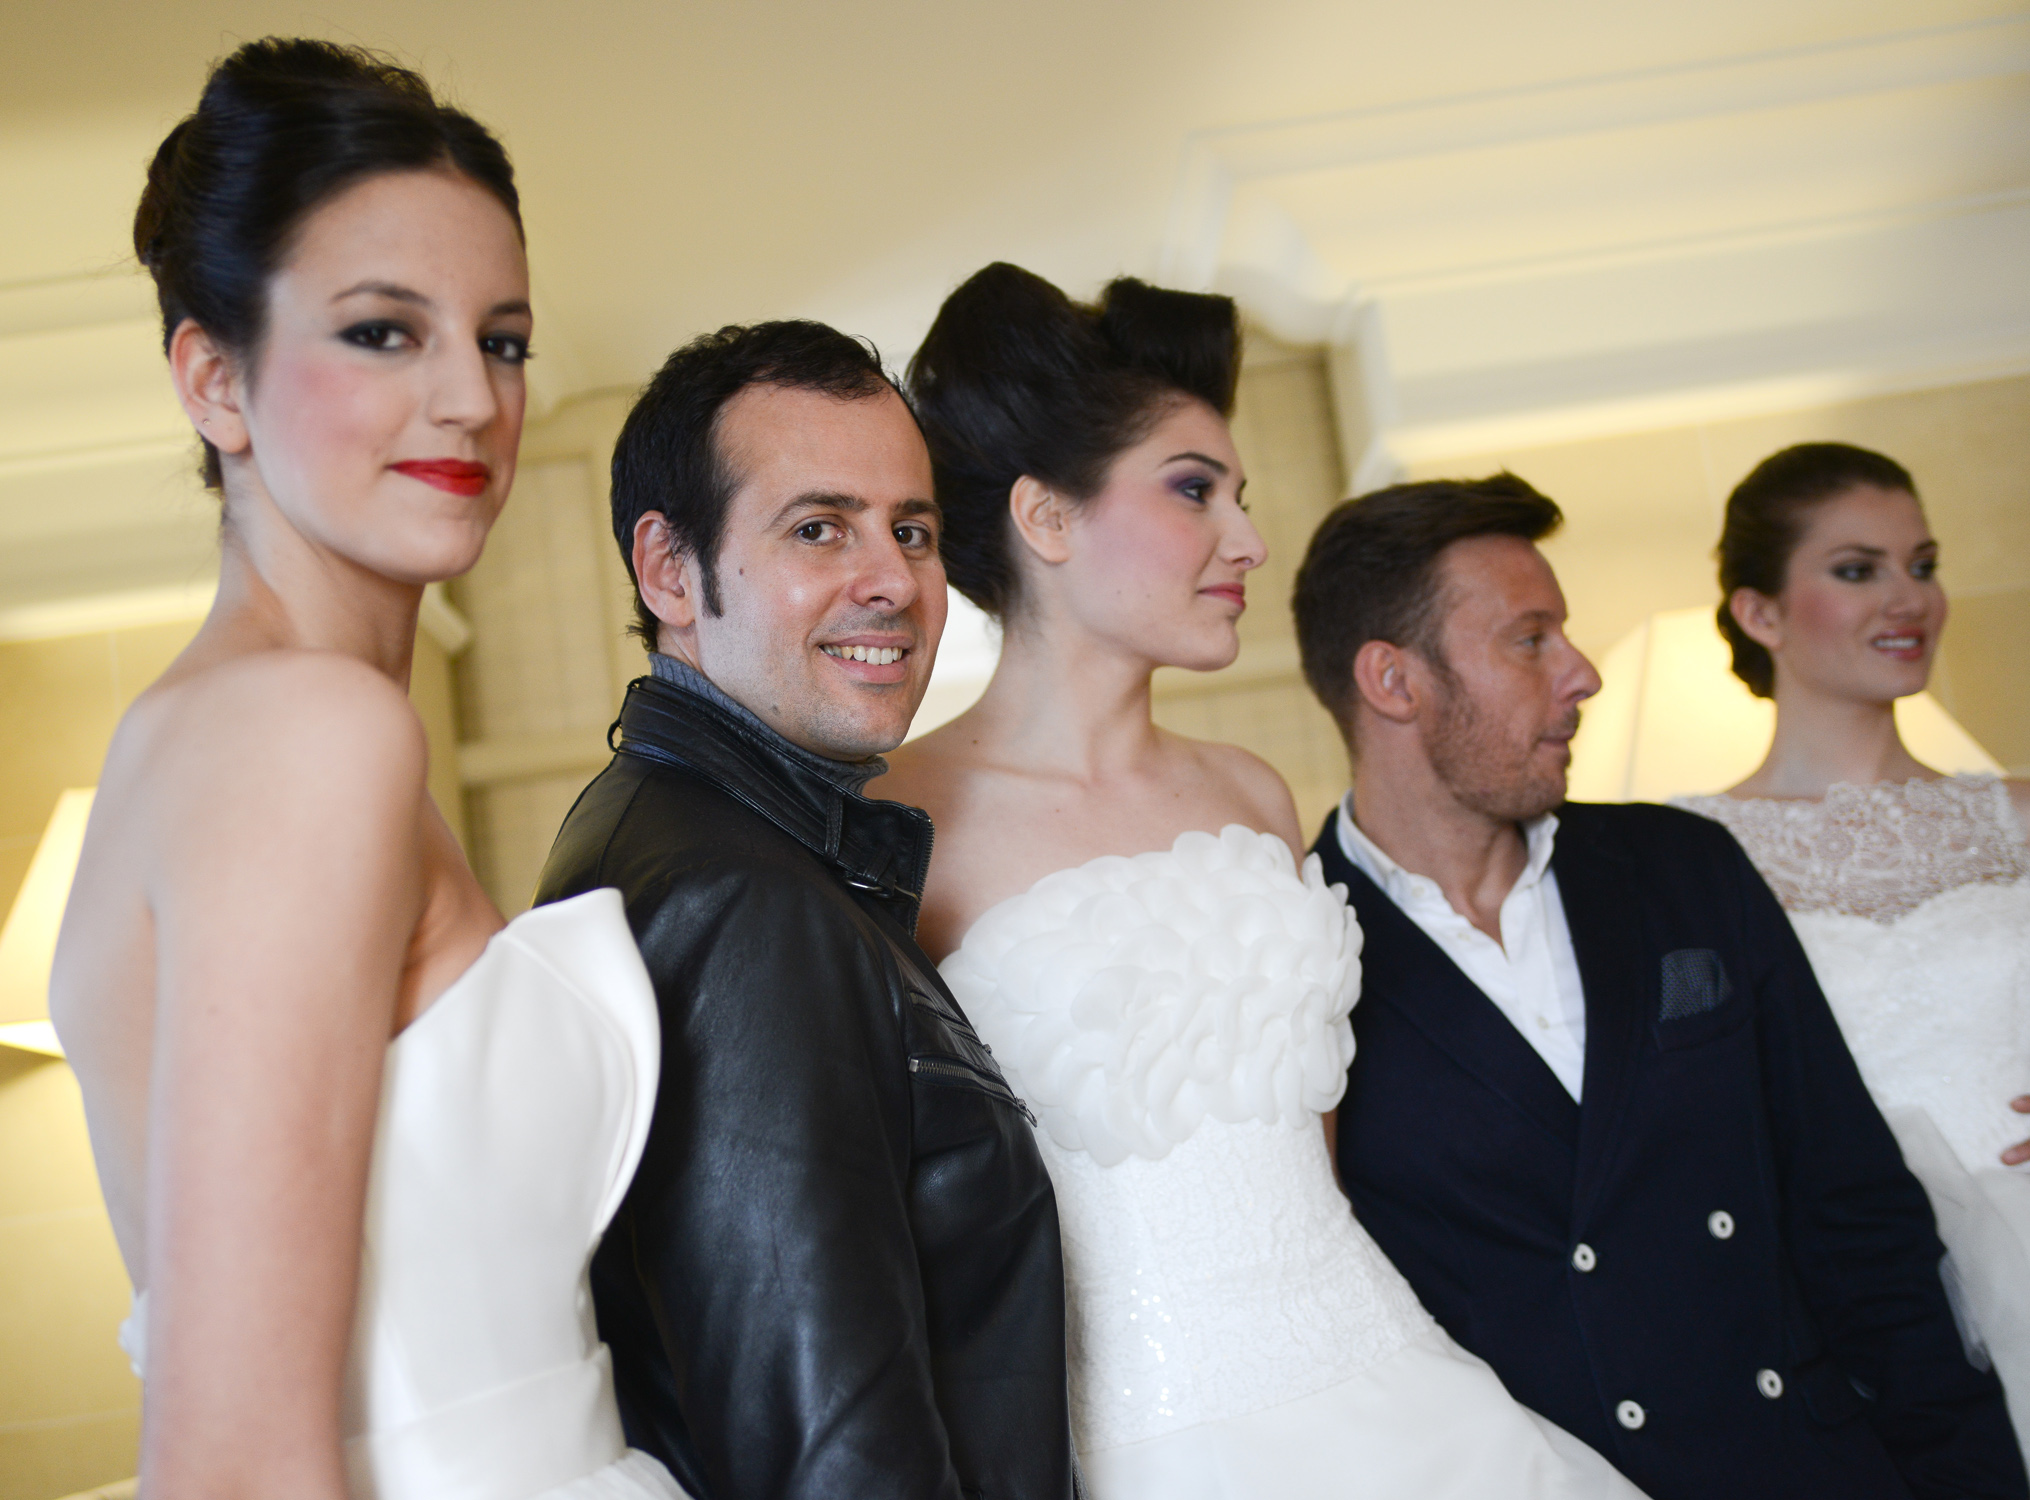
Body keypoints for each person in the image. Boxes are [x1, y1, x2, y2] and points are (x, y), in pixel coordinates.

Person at [874, 262, 1644, 1499]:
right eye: (1193, 490)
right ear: (1047, 517)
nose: (1247, 540)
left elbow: (1320, 1145)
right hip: (1148, 1438)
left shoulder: (1250, 795)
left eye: (1239, 496)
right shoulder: (899, 821)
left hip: (1396, 1382)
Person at [47, 40, 684, 1500]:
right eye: (384, 333)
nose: (471, 397)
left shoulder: (205, 728)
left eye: (502, 340)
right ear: (215, 379)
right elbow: (235, 1459)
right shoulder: (309, 734)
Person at [1293, 472, 2028, 1500]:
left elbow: (1856, 1214)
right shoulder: (1299, 949)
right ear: (1392, 680)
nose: (1582, 673)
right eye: (1530, 639)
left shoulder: (1683, 866)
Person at [534, 319, 1077, 1500]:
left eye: (911, 531)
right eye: (818, 528)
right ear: (668, 571)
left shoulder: (681, 831)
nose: (892, 583)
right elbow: (831, 1459)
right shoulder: (739, 903)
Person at [1673, 442, 2030, 1461]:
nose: (1907, 598)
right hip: (1840, 1286)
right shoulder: (1686, 855)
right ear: (1760, 613)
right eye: (1856, 569)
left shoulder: (2016, 817)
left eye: (1921, 565)